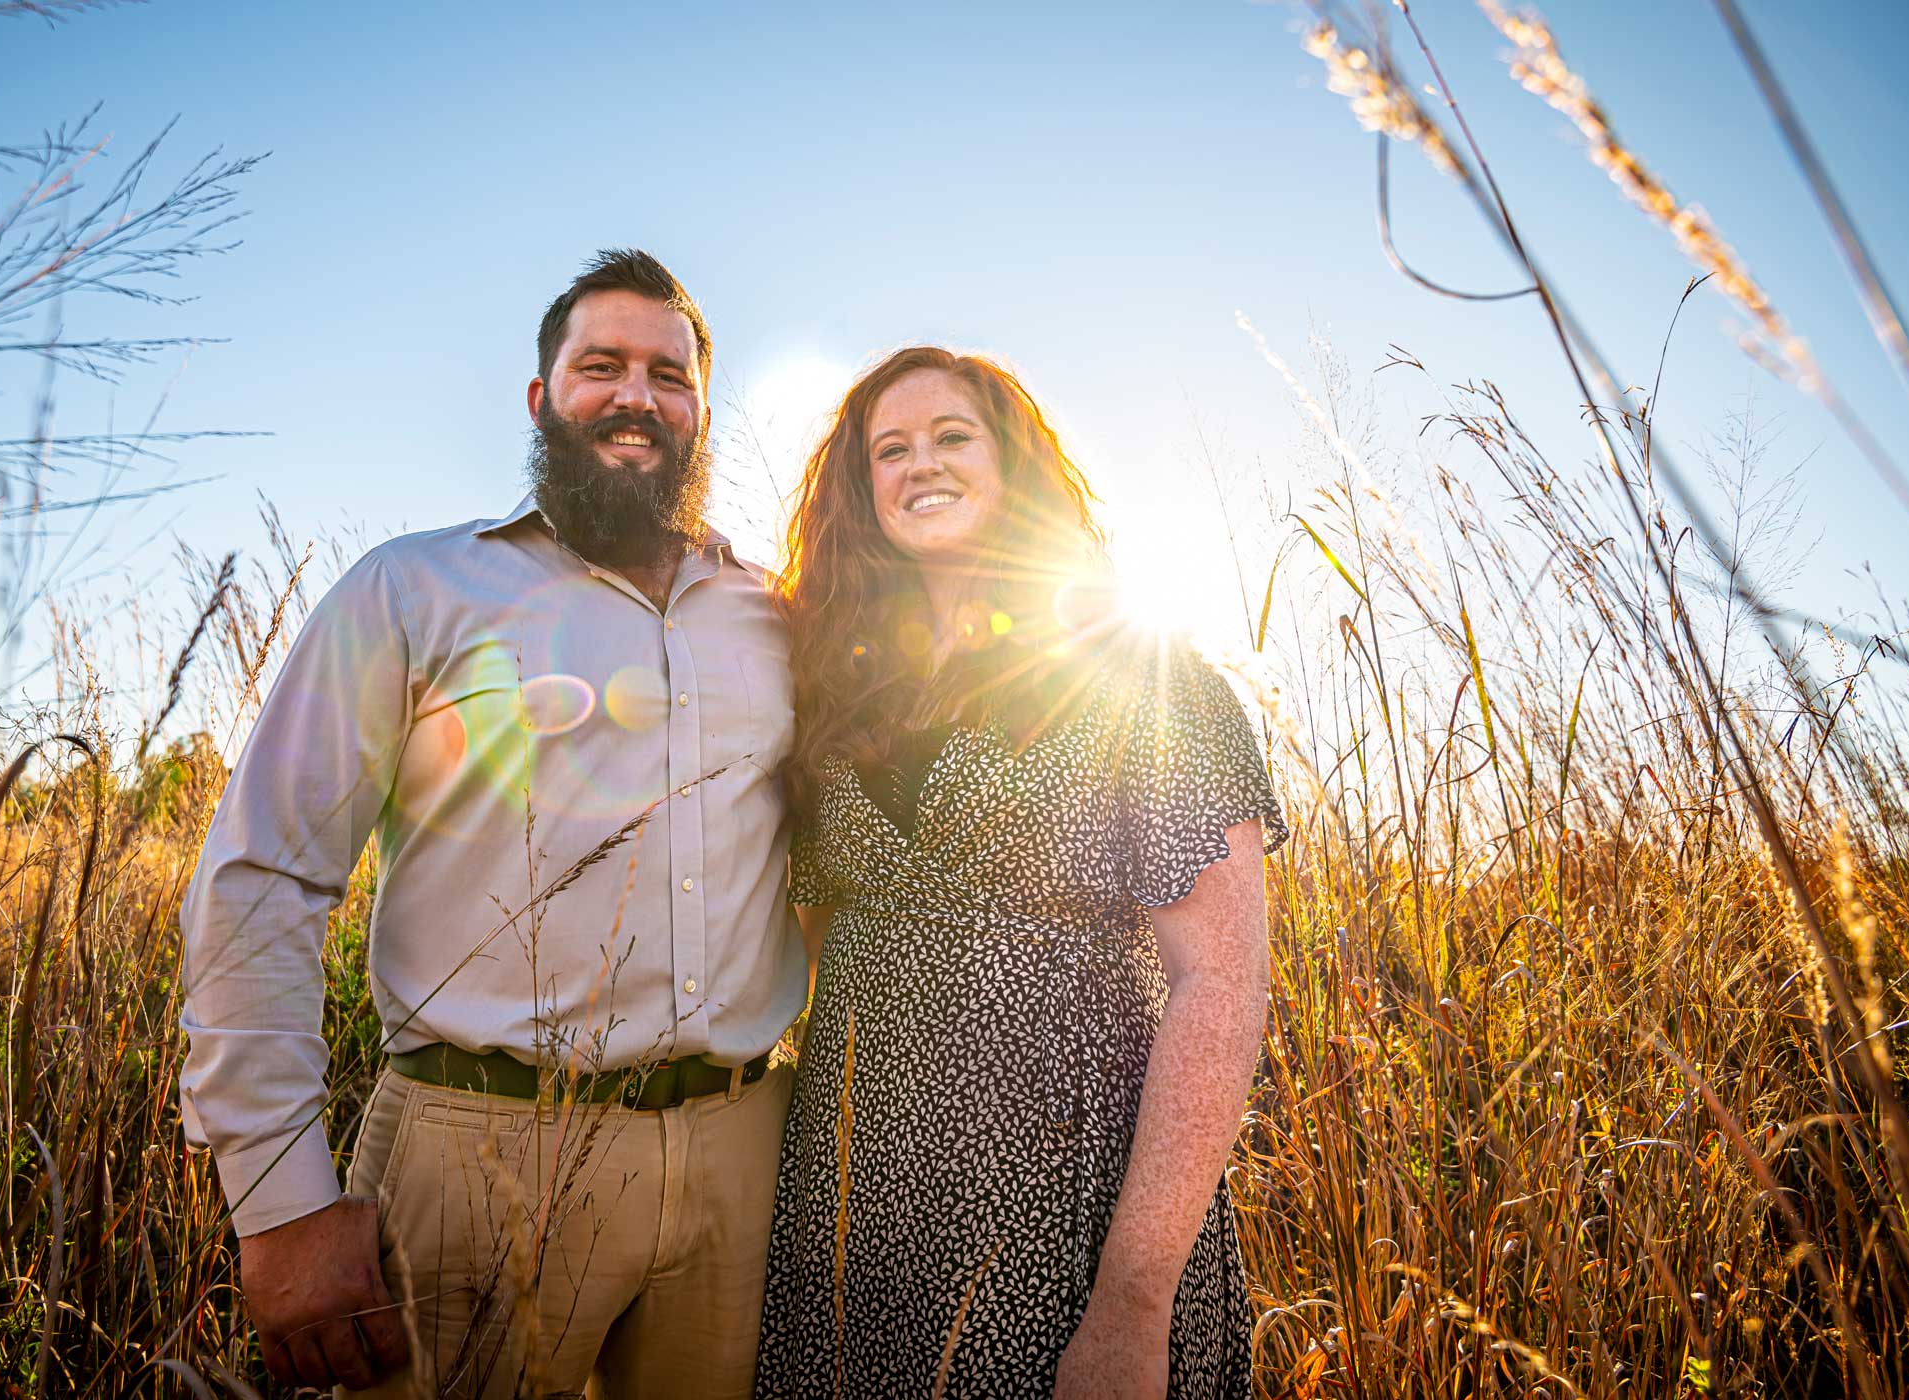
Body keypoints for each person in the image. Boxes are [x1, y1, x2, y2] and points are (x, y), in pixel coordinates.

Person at [178, 250, 804, 1399]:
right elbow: (264, 878)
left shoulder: (775, 619)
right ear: (540, 397)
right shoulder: (413, 590)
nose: (635, 395)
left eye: (670, 373)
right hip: (473, 1149)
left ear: (703, 409)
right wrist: (278, 1204)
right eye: (600, 364)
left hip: (740, 1157)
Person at [754, 348, 1287, 1399]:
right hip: (858, 1207)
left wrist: (1135, 1296)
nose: (921, 464)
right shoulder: (834, 692)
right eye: (889, 450)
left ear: (1015, 465)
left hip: (1067, 1207)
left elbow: (1220, 984)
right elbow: (814, 956)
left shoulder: (1141, 672)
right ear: (862, 490)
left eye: (953, 436)